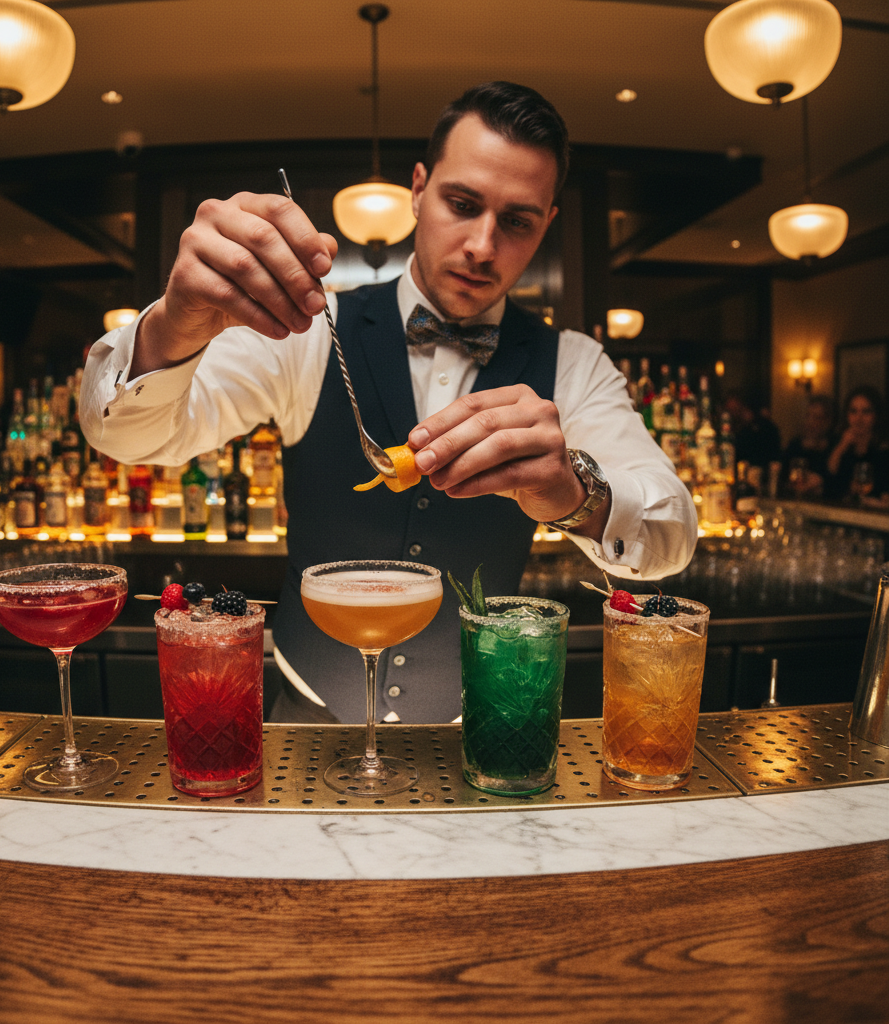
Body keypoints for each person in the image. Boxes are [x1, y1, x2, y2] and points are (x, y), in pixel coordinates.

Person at [80, 81, 698, 724]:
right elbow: (127, 438)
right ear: (418, 188)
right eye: (463, 203)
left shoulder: (573, 362)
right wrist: (174, 325)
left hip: (478, 724)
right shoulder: (310, 327)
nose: (483, 246)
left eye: (516, 221)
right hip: (306, 715)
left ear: (548, 223)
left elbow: (670, 537)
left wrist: (577, 495)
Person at [826, 385, 889, 505]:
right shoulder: (839, 444)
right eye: (853, 411)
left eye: (866, 412)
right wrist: (842, 447)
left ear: (876, 415)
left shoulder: (883, 450)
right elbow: (829, 482)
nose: (858, 418)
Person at [780, 394, 835, 498]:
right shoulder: (795, 445)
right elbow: (782, 478)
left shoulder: (834, 447)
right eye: (808, 416)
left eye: (817, 417)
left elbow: (835, 482)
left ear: (827, 422)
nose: (810, 422)